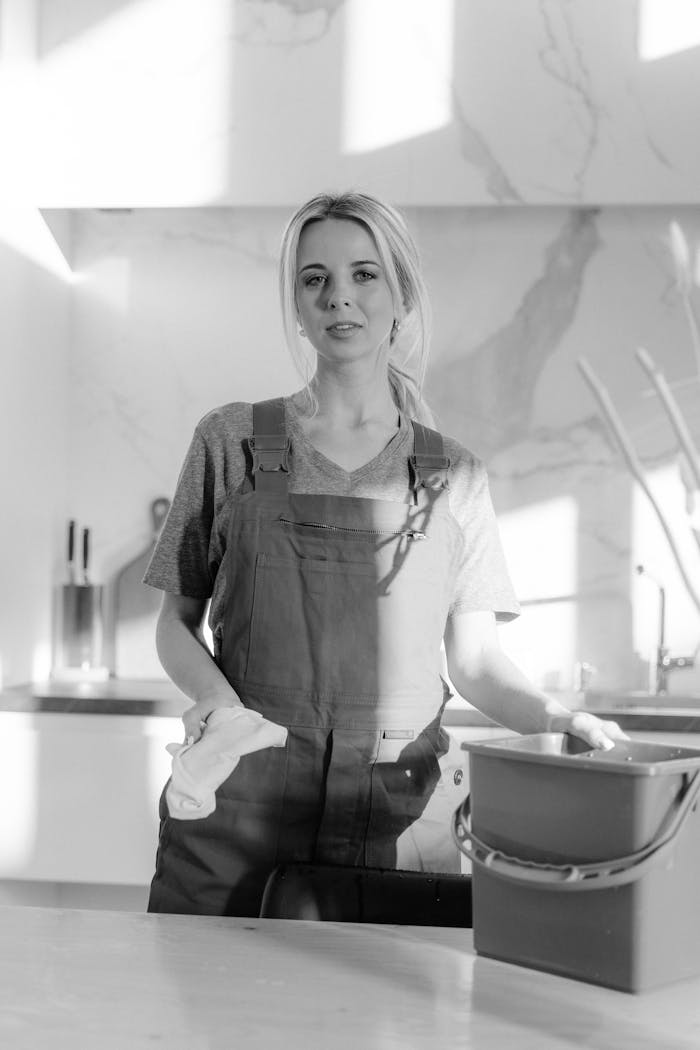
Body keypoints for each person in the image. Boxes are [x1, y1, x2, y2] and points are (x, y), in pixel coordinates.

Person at [144, 190, 625, 917]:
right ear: (298, 306)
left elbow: (477, 662)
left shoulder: (452, 476)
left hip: (381, 826)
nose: (340, 297)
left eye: (364, 274)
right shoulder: (231, 441)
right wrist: (218, 706)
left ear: (401, 294)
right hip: (231, 816)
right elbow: (175, 622)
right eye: (315, 279)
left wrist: (560, 721)